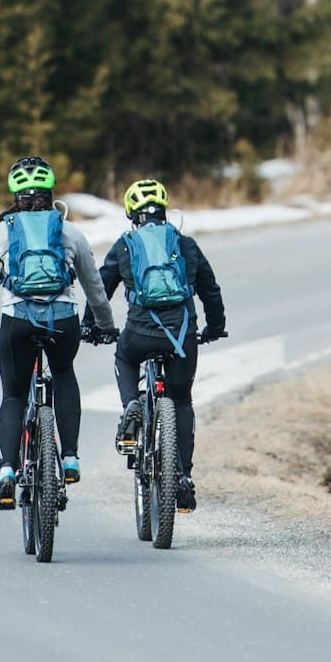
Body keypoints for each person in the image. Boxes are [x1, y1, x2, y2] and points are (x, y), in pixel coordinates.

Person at [0, 156, 118, 511]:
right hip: (64, 322)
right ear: (50, 191)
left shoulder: (0, 232)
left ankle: (7, 470)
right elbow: (95, 288)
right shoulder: (69, 231)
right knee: (64, 373)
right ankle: (70, 458)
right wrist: (104, 325)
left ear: (15, 194)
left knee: (13, 395)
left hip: (18, 323)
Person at [101, 178, 226, 513]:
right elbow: (210, 290)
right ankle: (183, 476)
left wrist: (94, 325)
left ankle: (132, 405)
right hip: (182, 337)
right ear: (165, 208)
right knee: (181, 400)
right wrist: (216, 327)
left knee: (124, 359)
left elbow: (102, 289)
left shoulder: (124, 245)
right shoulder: (185, 244)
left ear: (131, 212)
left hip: (139, 335)